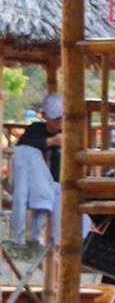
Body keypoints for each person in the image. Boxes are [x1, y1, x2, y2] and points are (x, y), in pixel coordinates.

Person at [11, 93, 63, 243]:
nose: (59, 121)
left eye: (61, 117)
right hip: (32, 182)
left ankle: (50, 243)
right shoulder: (35, 130)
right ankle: (22, 237)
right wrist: (52, 142)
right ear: (45, 116)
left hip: (56, 184)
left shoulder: (67, 133)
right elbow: (23, 148)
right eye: (55, 118)